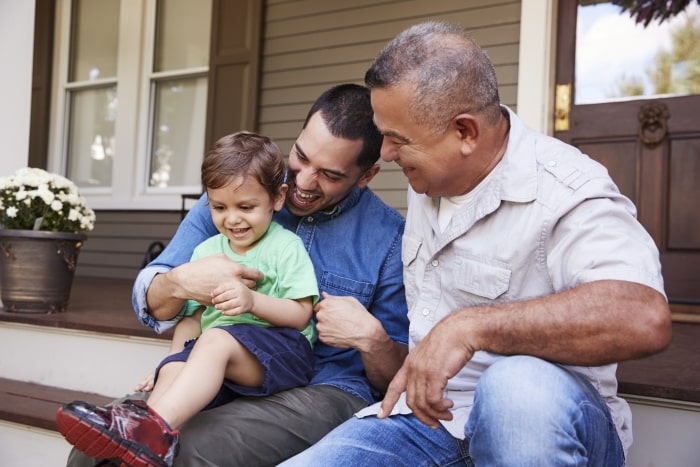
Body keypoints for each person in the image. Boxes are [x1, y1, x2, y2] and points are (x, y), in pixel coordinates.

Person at [280, 21, 673, 467]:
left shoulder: (566, 188)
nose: (385, 154)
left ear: (465, 133)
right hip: (428, 422)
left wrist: (471, 326)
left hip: (542, 426)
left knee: (516, 385)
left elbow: (643, 315)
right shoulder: (429, 175)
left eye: (398, 140)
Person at [65, 83, 409, 467]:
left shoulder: (390, 239)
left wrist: (373, 340)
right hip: (222, 364)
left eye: (329, 174)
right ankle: (148, 427)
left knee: (192, 449)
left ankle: (154, 432)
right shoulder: (236, 194)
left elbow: (394, 376)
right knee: (93, 451)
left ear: (366, 175)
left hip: (325, 384)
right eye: (300, 156)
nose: (304, 181)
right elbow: (158, 298)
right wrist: (180, 284)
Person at [57, 132, 321, 466]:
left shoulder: (285, 247)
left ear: (277, 198)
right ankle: (143, 442)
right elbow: (192, 319)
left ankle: (150, 430)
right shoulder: (206, 252)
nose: (232, 218)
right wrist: (169, 362)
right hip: (223, 354)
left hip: (283, 353)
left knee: (213, 341)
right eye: (219, 207)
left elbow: (300, 314)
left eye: (246, 207)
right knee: (180, 362)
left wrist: (252, 302)